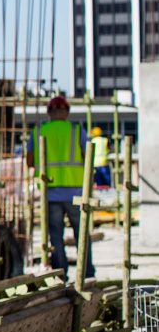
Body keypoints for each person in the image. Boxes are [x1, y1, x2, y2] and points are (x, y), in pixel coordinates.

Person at [27, 95, 94, 279]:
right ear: (67, 112)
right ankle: (87, 272)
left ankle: (61, 273)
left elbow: (30, 160)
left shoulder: (38, 131)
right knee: (82, 234)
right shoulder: (76, 130)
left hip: (50, 192)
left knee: (55, 236)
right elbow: (88, 155)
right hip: (76, 191)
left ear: (49, 112)